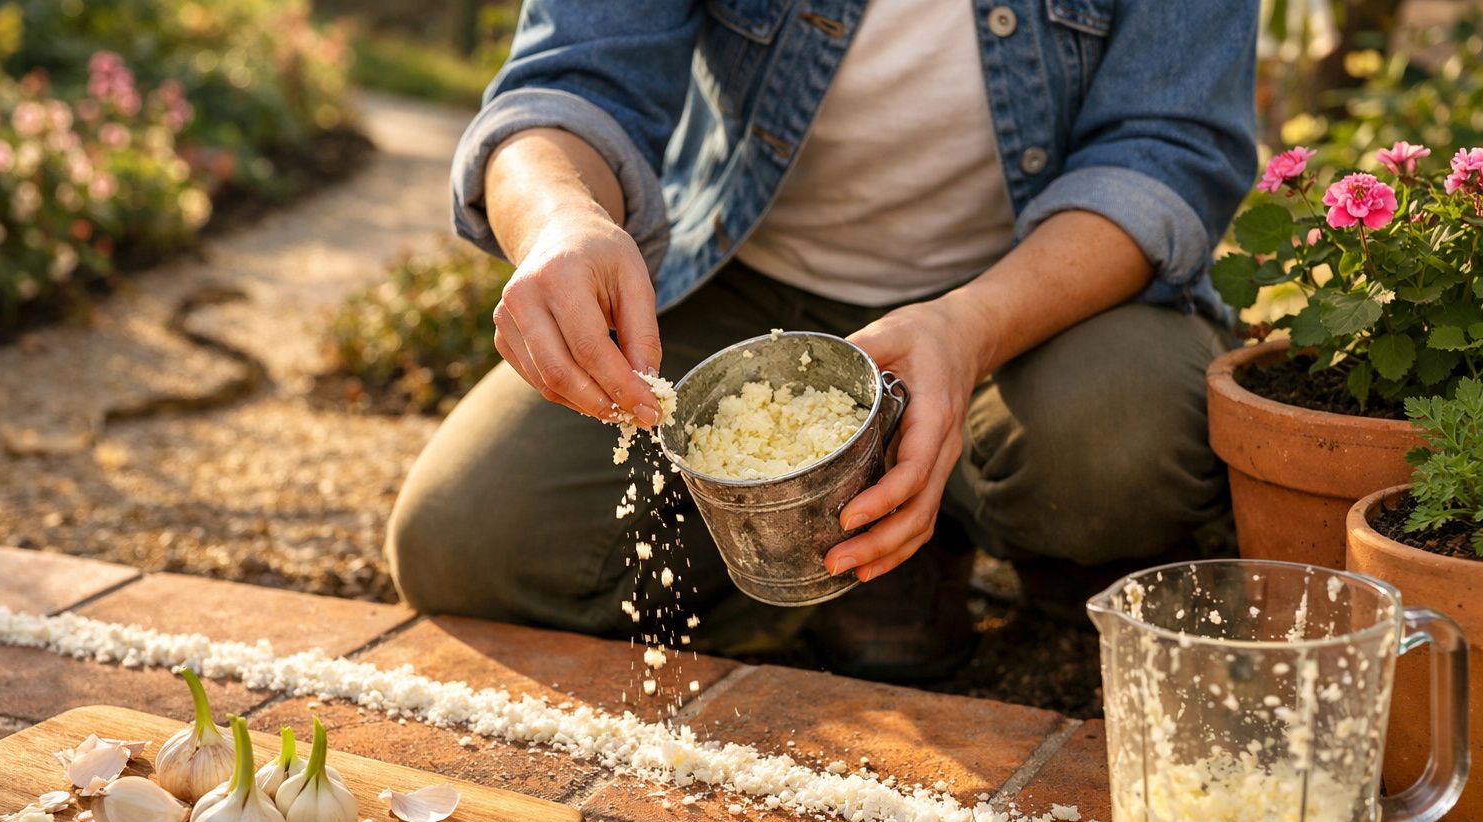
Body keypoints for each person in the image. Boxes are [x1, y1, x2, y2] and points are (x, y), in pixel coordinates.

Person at [387, 0, 1259, 677]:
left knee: (1121, 444)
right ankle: (852, 552)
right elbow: (571, 76)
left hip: (1039, 298)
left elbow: (1168, 147)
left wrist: (969, 326)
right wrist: (560, 220)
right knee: (466, 545)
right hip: (747, 279)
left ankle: (958, 521)